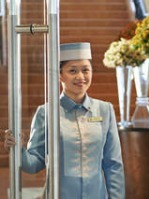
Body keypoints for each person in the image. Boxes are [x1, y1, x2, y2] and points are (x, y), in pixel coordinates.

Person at [4, 42, 125, 199]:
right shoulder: (46, 113)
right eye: (72, 71)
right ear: (60, 75)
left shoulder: (105, 110)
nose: (80, 77)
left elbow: (113, 165)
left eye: (85, 70)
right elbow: (34, 163)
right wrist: (18, 149)